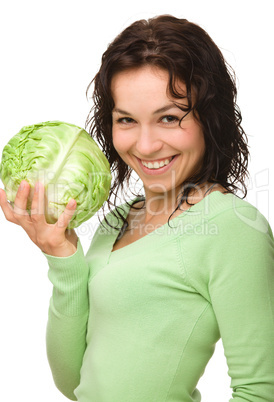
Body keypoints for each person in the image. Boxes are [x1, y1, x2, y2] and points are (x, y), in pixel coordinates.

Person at [0, 14, 273, 402]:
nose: (145, 146)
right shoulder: (118, 219)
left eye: (169, 118)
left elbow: (260, 392)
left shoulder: (233, 227)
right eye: (126, 119)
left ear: (209, 119)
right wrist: (61, 255)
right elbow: (74, 384)